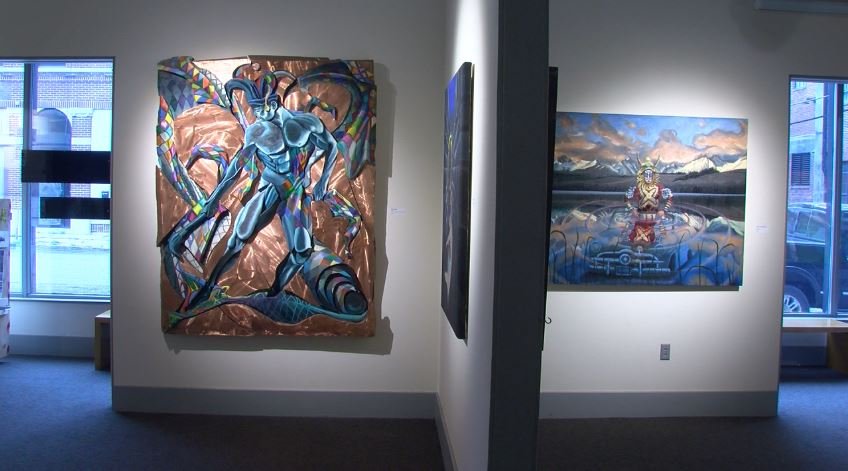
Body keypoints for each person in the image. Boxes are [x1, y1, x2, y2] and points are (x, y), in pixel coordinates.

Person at [624, 157, 673, 247]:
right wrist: (632, 209)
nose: (648, 177)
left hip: (655, 220)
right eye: (646, 175)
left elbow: (670, 198)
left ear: (654, 175)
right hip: (639, 220)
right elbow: (626, 198)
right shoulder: (638, 188)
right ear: (642, 175)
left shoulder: (659, 187)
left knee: (660, 240)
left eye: (650, 175)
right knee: (633, 240)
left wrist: (664, 210)